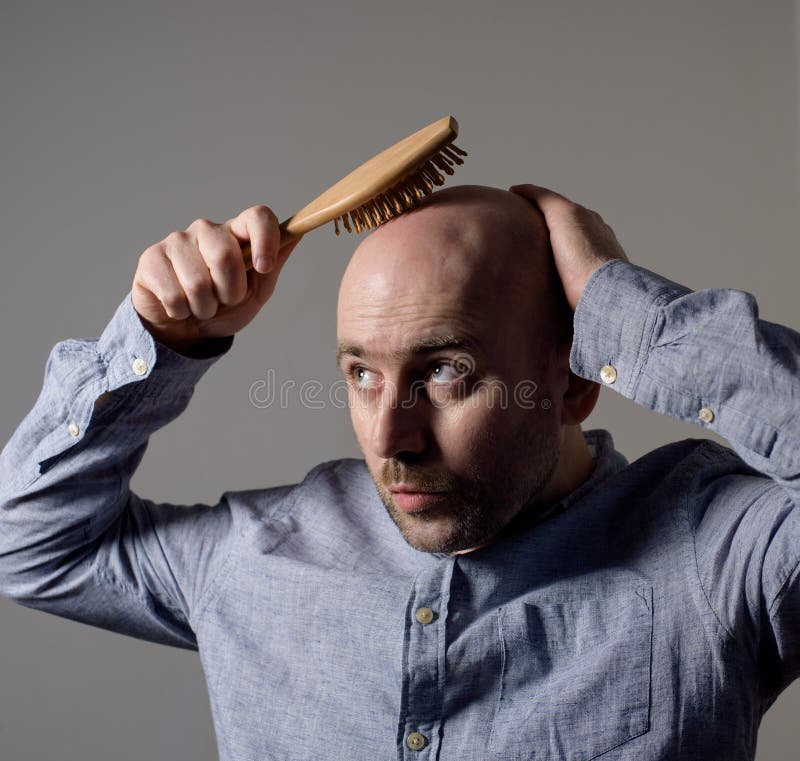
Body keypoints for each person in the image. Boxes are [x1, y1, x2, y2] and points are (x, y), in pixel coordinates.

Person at [0, 183, 798, 761]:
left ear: (578, 379)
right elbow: (24, 542)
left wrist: (638, 323)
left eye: (447, 371)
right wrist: (158, 342)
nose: (390, 437)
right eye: (361, 373)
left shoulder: (718, 555)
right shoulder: (258, 555)